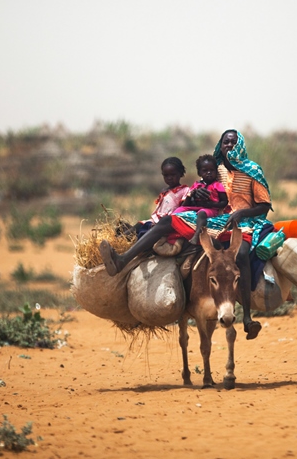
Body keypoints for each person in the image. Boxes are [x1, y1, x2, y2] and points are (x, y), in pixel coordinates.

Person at [100, 129, 272, 340]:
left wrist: (243, 212)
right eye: (225, 142)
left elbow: (264, 206)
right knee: (168, 222)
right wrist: (196, 196)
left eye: (233, 143)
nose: (229, 146)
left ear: (241, 146)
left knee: (242, 254)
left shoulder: (253, 170)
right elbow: (209, 190)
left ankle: (247, 317)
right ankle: (122, 260)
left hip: (247, 222)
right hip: (218, 219)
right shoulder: (217, 169)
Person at [127, 157, 190, 238]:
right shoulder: (164, 191)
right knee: (138, 225)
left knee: (143, 230)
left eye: (173, 175)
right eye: (166, 175)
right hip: (155, 220)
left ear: (181, 173)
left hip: (166, 223)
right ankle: (116, 241)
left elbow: (182, 209)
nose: (169, 178)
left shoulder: (184, 190)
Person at [173, 154, 228, 245]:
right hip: (196, 207)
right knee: (179, 209)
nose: (209, 173)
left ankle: (197, 234)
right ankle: (174, 227)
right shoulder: (197, 185)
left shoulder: (217, 185)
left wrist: (211, 204)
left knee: (202, 213)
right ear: (199, 173)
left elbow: (224, 202)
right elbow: (186, 204)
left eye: (212, 170)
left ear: (216, 171)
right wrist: (192, 194)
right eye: (205, 171)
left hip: (211, 209)